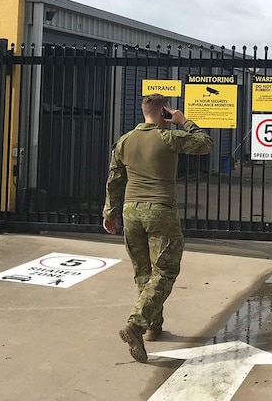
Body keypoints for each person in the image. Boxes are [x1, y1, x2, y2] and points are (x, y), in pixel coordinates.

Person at [102, 94, 213, 363]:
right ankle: (137, 324)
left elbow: (115, 179)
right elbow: (205, 144)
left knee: (143, 271)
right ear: (164, 111)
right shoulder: (168, 137)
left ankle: (153, 326)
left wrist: (110, 213)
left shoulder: (125, 141)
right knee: (165, 270)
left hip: (131, 211)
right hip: (160, 210)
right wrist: (183, 120)